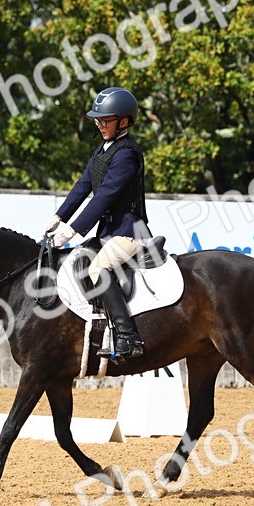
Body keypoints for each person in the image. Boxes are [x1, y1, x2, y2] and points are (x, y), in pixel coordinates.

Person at [45, 86, 149, 360]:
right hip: (108, 232)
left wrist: (72, 230)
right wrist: (59, 217)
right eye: (98, 120)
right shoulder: (103, 150)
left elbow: (104, 197)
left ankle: (128, 336)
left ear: (124, 121)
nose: (101, 125)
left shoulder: (126, 154)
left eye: (106, 120)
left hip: (129, 231)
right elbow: (83, 186)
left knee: (97, 269)